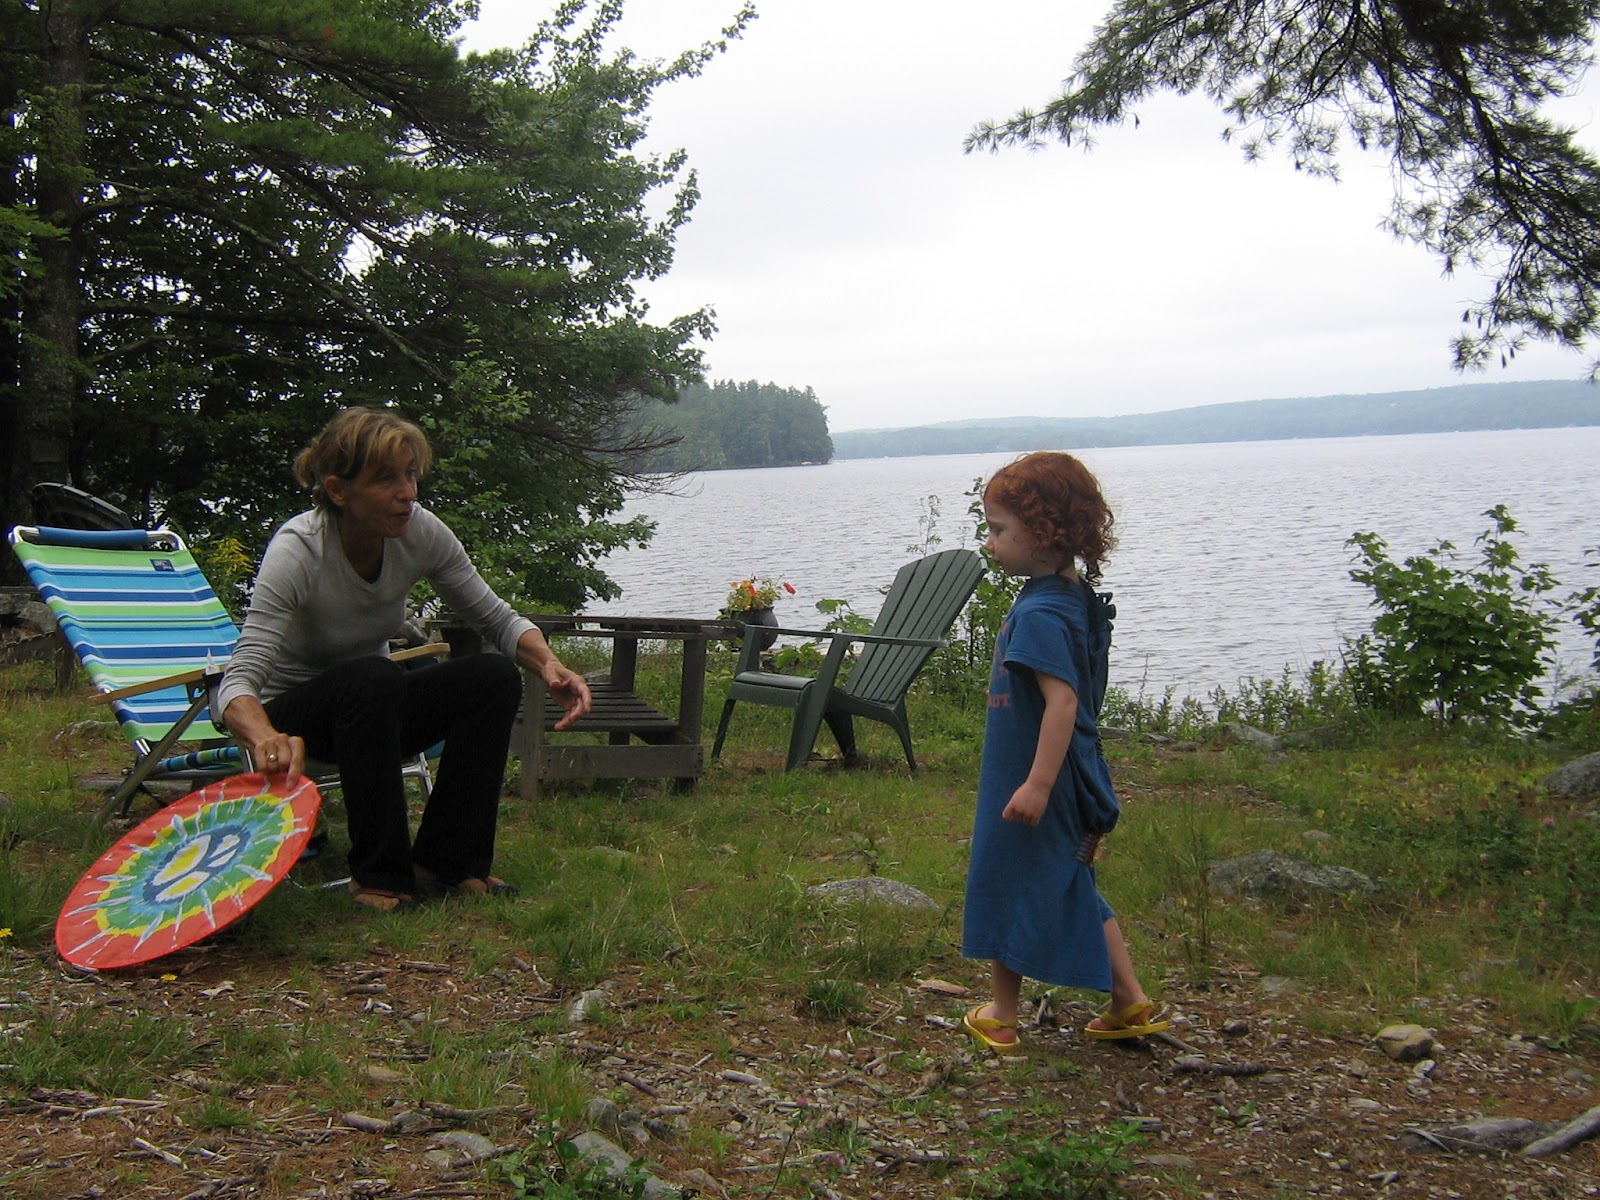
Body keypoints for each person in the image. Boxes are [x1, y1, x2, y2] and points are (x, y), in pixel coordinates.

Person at [216, 407, 592, 912]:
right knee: (375, 676)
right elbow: (238, 682)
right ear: (338, 491)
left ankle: (450, 861)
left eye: (412, 475)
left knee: (493, 675)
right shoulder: (299, 550)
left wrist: (547, 663)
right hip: (296, 720)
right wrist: (265, 736)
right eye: (386, 479)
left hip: (376, 710)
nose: (408, 492)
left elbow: (496, 618)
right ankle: (380, 878)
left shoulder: (420, 531)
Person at [960, 451, 1167, 1053]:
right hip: (1052, 776)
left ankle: (1001, 1012)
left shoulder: (1044, 612)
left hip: (1036, 779)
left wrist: (1038, 784)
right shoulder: (1070, 597)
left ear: (1044, 530)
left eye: (999, 530)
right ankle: (1128, 1000)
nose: (992, 542)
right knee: (1067, 882)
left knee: (1003, 879)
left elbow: (1063, 704)